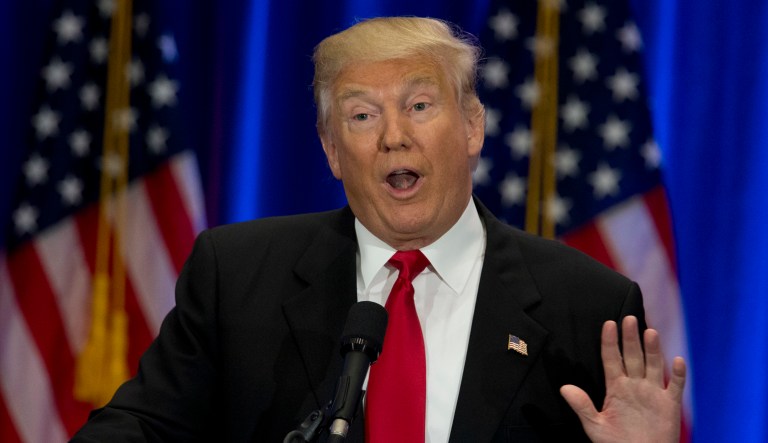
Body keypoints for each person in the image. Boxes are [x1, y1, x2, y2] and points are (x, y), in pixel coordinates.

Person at [72, 17, 686, 442]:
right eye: (362, 115)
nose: (394, 136)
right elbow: (141, 428)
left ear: (472, 127)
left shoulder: (588, 305)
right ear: (332, 150)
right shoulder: (236, 276)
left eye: (419, 106)